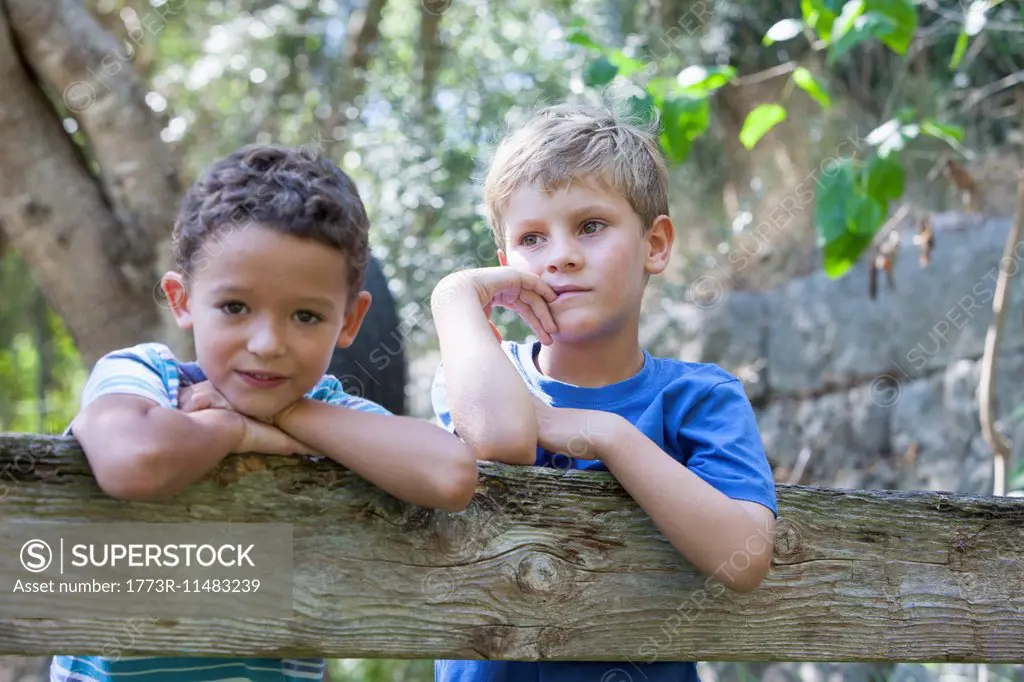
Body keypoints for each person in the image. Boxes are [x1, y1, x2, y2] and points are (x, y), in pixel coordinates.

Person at [54, 144, 479, 682]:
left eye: (305, 315)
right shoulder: (147, 377)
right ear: (181, 300)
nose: (268, 343)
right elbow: (131, 460)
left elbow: (451, 474)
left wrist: (286, 419)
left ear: (349, 322)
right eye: (235, 307)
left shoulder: (325, 412)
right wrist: (231, 427)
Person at [429, 104, 779, 682]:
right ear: (505, 266)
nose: (560, 255)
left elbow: (743, 557)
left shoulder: (700, 399)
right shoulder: (484, 371)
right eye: (532, 238)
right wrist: (453, 296)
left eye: (590, 226)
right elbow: (501, 439)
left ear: (656, 245)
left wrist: (608, 435)